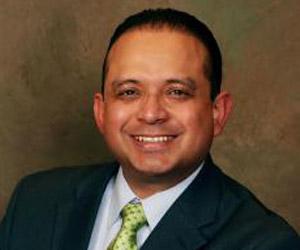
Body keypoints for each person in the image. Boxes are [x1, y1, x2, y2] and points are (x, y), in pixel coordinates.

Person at [0, 8, 299, 250]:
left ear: (217, 112)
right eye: (129, 92)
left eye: (177, 92)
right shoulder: (34, 201)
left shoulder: (266, 242)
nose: (151, 113)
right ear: (101, 111)